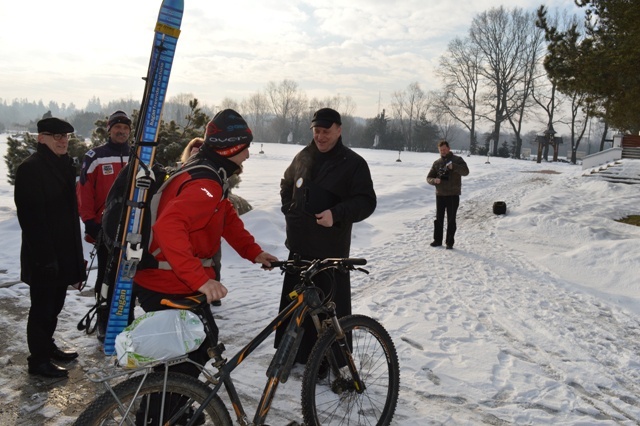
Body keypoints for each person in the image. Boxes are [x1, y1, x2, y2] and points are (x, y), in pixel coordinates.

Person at [133, 109, 278, 378]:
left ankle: (180, 409)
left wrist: (253, 252)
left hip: (167, 279)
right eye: (245, 147)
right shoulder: (206, 182)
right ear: (231, 147)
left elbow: (226, 218)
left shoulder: (207, 172)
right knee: (183, 362)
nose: (247, 154)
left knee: (190, 353)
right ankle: (164, 417)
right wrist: (200, 280)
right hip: (169, 282)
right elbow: (168, 226)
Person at [276, 107, 377, 364]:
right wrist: (289, 208)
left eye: (326, 131)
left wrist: (337, 213)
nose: (320, 137)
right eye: (316, 131)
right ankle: (295, 355)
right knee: (296, 307)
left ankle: (329, 360)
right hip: (299, 246)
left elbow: (366, 202)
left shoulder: (353, 163)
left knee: (327, 310)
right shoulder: (304, 156)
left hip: (330, 251)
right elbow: (286, 183)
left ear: (339, 130)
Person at [14, 117, 86, 378]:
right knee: (42, 309)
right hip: (43, 256)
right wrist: (46, 259)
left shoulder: (64, 165)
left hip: (63, 252)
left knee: (54, 306)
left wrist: (75, 262)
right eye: (56, 136)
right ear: (40, 138)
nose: (63, 140)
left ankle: (47, 346)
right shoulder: (30, 168)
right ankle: (38, 361)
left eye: (66, 136)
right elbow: (31, 220)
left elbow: (68, 215)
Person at [76, 110, 132, 342]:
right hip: (105, 229)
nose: (121, 131)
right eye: (117, 127)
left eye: (126, 128)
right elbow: (84, 189)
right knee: (106, 277)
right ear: (109, 130)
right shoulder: (96, 156)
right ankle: (103, 319)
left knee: (130, 277)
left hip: (133, 228)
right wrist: (89, 222)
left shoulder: (138, 155)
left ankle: (125, 320)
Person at [178, 137, 223, 306]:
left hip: (210, 230)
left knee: (214, 262)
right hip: (189, 231)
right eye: (193, 151)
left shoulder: (214, 175)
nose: (196, 154)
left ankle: (214, 292)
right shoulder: (180, 173)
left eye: (199, 150)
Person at [426, 140, 470, 249]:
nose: (443, 152)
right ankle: (437, 240)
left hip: (453, 194)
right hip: (440, 194)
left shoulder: (457, 160)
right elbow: (428, 178)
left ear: (449, 148)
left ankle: (449, 242)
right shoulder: (437, 163)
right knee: (438, 218)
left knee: (451, 219)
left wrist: (453, 167)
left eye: (445, 149)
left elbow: (466, 172)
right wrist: (434, 180)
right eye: (441, 150)